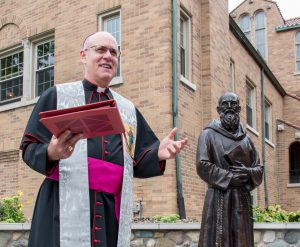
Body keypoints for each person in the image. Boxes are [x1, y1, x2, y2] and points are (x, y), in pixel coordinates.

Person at [20, 31, 188, 247]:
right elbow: (28, 147)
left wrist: (158, 153)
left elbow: (136, 160)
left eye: (113, 52)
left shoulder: (127, 110)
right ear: (83, 55)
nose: (108, 56)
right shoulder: (57, 96)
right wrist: (52, 153)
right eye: (100, 50)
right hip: (61, 209)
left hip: (109, 212)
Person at [196, 92, 264, 247]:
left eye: (233, 104)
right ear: (219, 109)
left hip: (241, 199)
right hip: (218, 197)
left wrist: (248, 172)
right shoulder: (208, 134)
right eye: (225, 105)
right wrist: (228, 177)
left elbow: (259, 168)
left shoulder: (247, 140)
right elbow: (202, 165)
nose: (229, 108)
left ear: (239, 108)